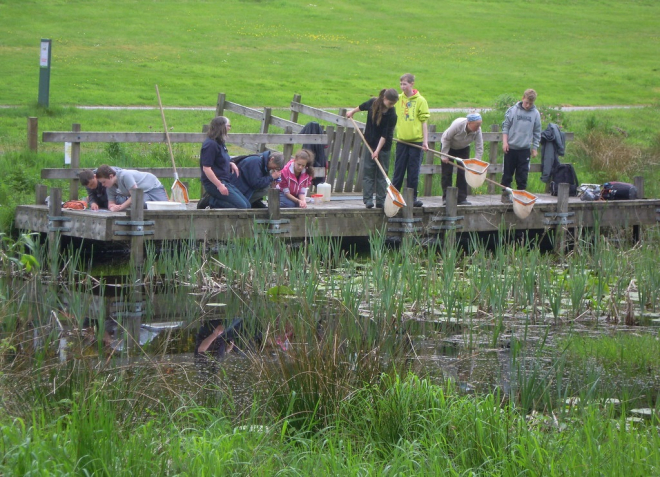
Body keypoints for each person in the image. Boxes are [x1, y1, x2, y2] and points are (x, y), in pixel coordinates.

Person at [346, 88, 399, 209]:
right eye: (390, 103)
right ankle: (368, 200)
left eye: (393, 104)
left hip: (383, 147)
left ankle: (380, 201)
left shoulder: (392, 115)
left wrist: (377, 151)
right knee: (368, 171)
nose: (391, 106)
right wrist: (352, 112)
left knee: (382, 173)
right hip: (369, 142)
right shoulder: (373, 103)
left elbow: (385, 135)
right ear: (384, 98)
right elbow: (362, 106)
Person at [393, 73, 430, 208]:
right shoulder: (398, 99)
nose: (403, 87)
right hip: (402, 140)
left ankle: (412, 197)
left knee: (413, 171)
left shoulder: (420, 101)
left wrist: (425, 141)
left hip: (416, 141)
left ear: (412, 84)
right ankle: (394, 196)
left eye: (405, 84)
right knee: (398, 170)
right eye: (401, 84)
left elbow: (424, 122)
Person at [200, 116, 251, 209]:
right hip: (213, 183)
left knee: (247, 205)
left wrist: (231, 163)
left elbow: (222, 158)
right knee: (241, 206)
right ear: (221, 127)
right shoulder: (210, 145)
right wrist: (219, 185)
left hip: (225, 181)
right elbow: (206, 168)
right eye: (228, 126)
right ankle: (210, 201)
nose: (229, 128)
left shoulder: (219, 142)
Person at [501, 88, 542, 203]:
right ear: (522, 98)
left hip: (524, 149)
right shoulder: (513, 110)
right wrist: (505, 142)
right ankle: (505, 195)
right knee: (507, 173)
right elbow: (506, 127)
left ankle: (520, 196)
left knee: (522, 174)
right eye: (526, 102)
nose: (528, 105)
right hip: (511, 147)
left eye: (530, 103)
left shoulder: (535, 114)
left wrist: (535, 148)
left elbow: (537, 131)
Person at [440, 113, 484, 206]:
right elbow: (446, 138)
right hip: (449, 146)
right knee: (447, 173)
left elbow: (479, 146)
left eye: (479, 124)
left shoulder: (478, 130)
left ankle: (461, 198)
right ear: (469, 123)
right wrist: (444, 155)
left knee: (463, 172)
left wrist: (477, 162)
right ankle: (446, 198)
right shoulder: (457, 125)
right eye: (476, 125)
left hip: (463, 148)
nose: (478, 127)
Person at [95, 165, 168, 211]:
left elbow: (135, 195)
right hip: (141, 193)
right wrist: (113, 207)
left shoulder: (125, 176)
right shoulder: (110, 187)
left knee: (164, 207)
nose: (103, 185)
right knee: (140, 205)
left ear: (111, 176)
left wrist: (120, 207)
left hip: (152, 187)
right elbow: (110, 204)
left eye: (104, 182)